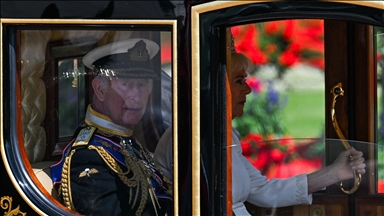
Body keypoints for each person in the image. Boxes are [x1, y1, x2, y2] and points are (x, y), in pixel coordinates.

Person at [154, 52, 366, 215]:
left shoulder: (224, 134)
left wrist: (336, 173)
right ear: (214, 88)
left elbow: (264, 191)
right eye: (239, 81)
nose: (247, 89)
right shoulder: (190, 137)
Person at [50, 38, 173, 216]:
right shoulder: (87, 155)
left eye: (142, 85)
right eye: (127, 85)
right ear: (100, 89)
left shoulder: (126, 141)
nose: (136, 97)